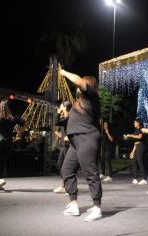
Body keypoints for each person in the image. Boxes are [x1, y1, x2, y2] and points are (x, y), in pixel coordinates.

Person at [60, 69, 102, 222]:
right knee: (66, 170)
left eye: (83, 83)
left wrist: (62, 72)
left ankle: (97, 207)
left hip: (86, 138)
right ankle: (73, 204)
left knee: (90, 173)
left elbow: (78, 80)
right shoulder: (81, 103)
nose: (78, 87)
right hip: (75, 142)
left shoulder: (92, 96)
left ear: (89, 84)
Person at [0, 100, 25, 192]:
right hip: (9, 142)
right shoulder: (13, 118)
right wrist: (19, 134)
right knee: (2, 163)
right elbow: (24, 123)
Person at [53, 101, 72, 194]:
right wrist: (61, 135)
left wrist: (58, 112)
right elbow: (58, 125)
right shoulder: (65, 118)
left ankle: (68, 187)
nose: (59, 108)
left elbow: (56, 122)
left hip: (69, 145)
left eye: (61, 107)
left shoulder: (69, 117)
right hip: (65, 145)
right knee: (60, 164)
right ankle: (64, 185)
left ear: (65, 107)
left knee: (67, 167)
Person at [125, 118, 148, 185]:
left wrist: (131, 135)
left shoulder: (141, 128)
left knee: (140, 162)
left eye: (135, 122)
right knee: (134, 162)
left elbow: (140, 137)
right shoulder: (136, 129)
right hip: (137, 146)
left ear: (138, 123)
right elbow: (136, 143)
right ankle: (135, 178)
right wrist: (132, 152)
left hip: (141, 147)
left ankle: (144, 179)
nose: (134, 123)